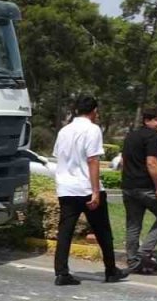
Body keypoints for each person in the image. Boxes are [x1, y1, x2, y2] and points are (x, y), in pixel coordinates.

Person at [51, 95, 129, 285]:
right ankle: (110, 270)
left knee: (65, 231)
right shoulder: (93, 129)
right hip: (86, 188)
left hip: (67, 188)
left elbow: (58, 157)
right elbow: (93, 160)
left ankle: (61, 273)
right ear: (94, 111)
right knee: (103, 230)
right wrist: (95, 191)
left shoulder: (64, 130)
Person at [121, 110, 157, 275]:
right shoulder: (152, 137)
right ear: (147, 120)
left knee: (133, 224)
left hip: (128, 187)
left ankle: (133, 261)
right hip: (145, 187)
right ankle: (144, 252)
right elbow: (151, 162)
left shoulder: (130, 136)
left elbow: (123, 161)